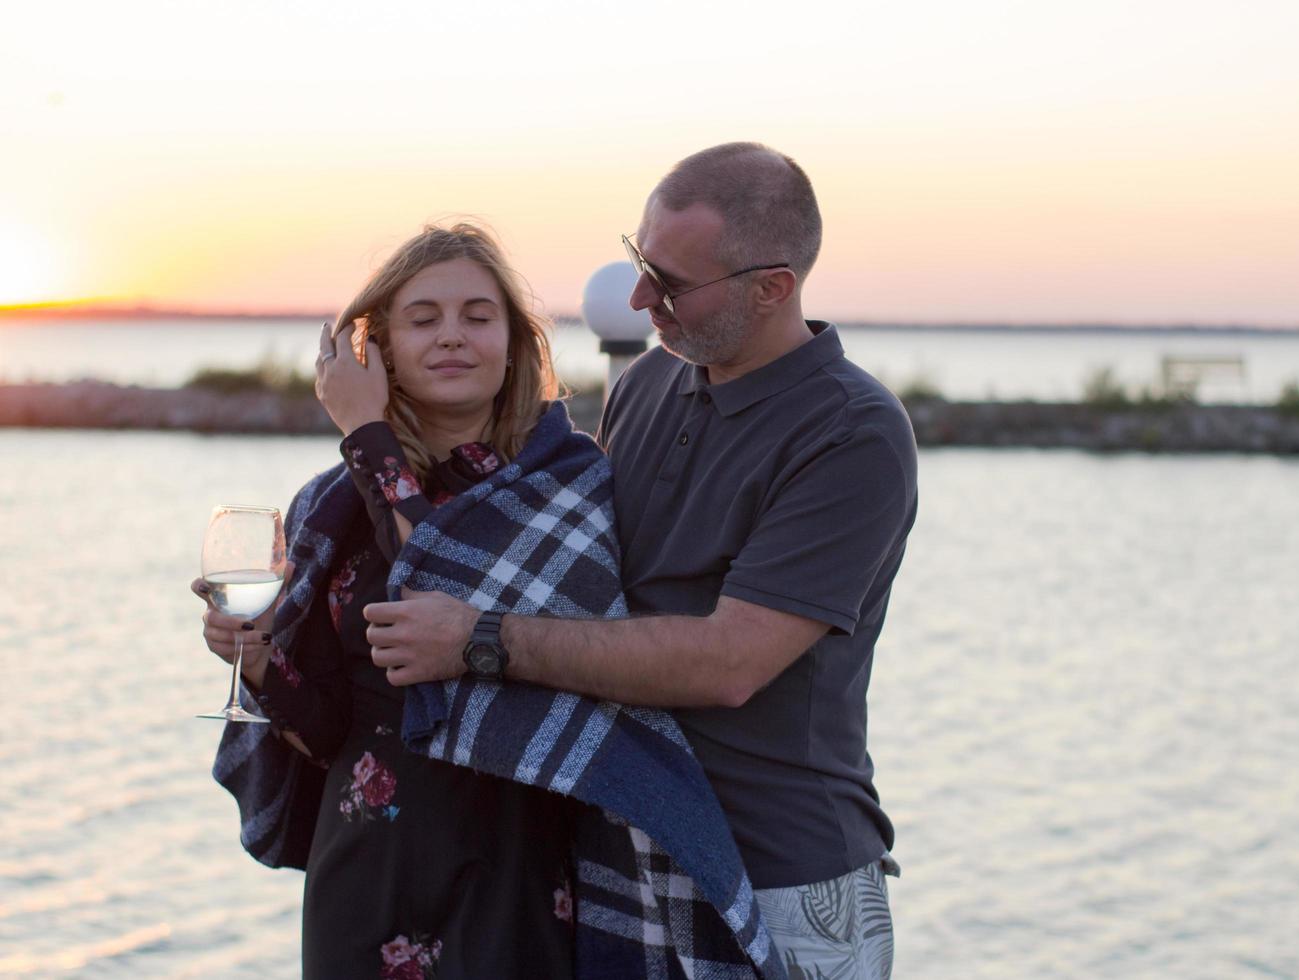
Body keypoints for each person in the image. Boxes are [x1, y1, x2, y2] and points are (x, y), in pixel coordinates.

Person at [359, 143, 919, 979]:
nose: (639, 298)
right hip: (620, 848)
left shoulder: (853, 434)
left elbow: (730, 662)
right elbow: (553, 567)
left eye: (673, 282)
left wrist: (481, 639)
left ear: (774, 287)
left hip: (783, 877)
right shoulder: (648, 380)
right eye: (639, 260)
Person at [194, 222, 786, 979]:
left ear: (513, 341)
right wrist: (257, 661)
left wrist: (366, 431)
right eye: (423, 319)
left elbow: (441, 590)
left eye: (478, 316)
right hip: (364, 873)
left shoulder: (569, 485)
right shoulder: (329, 508)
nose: (452, 337)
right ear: (381, 348)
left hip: (514, 873)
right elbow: (330, 730)